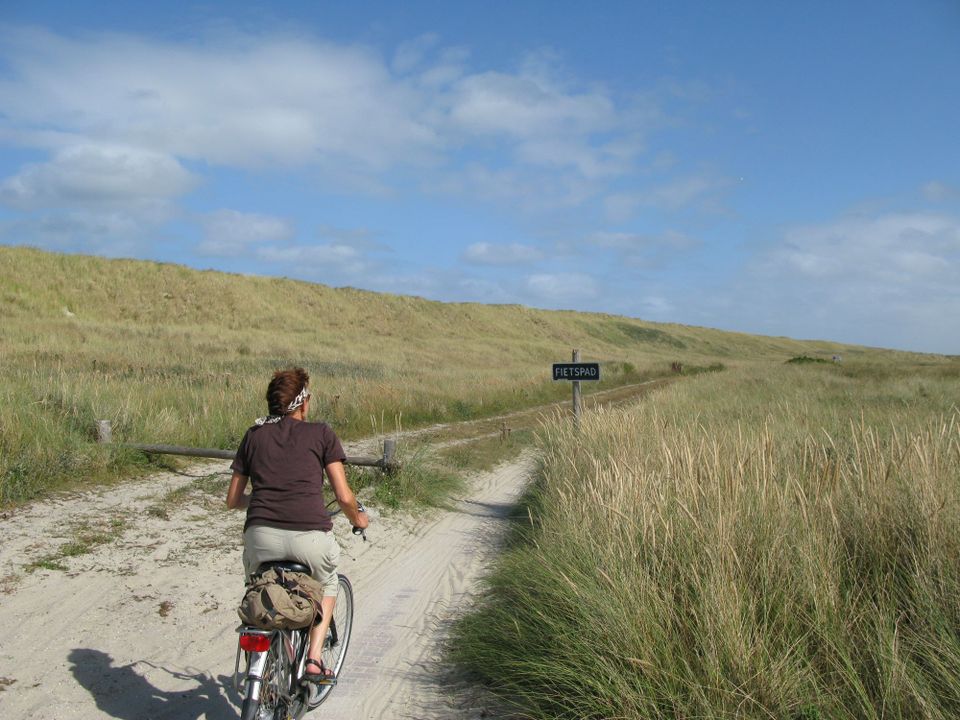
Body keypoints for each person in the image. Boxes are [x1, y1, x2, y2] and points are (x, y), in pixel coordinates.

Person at [226, 367, 368, 684]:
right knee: (328, 584)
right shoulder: (321, 434)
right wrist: (359, 518)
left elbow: (233, 500)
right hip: (309, 539)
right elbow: (344, 496)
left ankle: (260, 653)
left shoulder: (254, 435)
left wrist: (263, 498)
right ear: (303, 403)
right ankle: (314, 660)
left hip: (260, 538)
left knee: (258, 585)